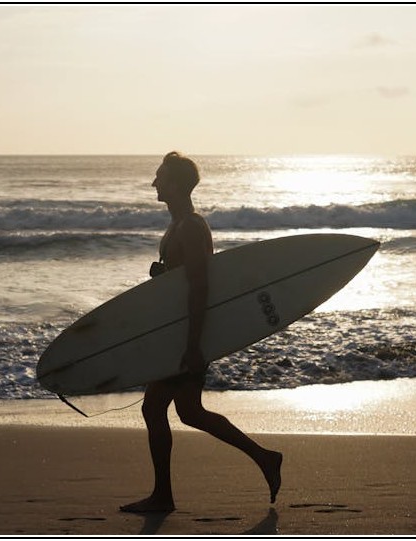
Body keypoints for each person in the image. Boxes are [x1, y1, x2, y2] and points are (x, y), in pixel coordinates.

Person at [120, 151, 283, 514]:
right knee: (190, 412)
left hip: (189, 335)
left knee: (154, 407)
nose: (154, 183)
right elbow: (184, 282)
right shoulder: (177, 226)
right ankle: (266, 458)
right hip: (182, 332)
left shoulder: (191, 227)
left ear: (175, 183)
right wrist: (163, 278)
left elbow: (200, 289)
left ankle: (163, 496)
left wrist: (193, 346)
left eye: (160, 177)